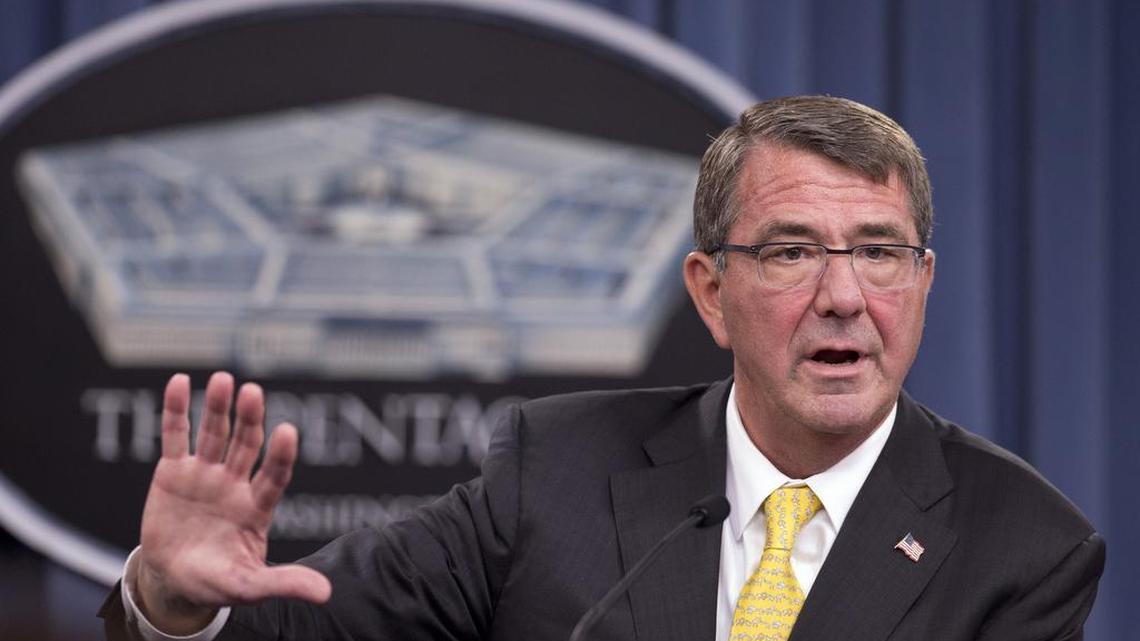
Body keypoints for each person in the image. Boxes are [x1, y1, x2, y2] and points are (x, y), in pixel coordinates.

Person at [100, 95, 1105, 641]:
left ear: (922, 282)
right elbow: (301, 635)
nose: (844, 294)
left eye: (880, 251)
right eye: (794, 251)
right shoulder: (562, 465)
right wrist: (177, 601)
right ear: (711, 291)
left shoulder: (1023, 546)